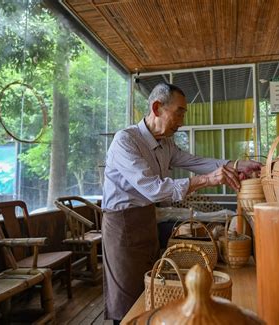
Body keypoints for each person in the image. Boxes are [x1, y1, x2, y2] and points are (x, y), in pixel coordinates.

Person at [102, 82, 261, 324]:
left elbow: (195, 161)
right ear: (157, 107)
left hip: (146, 218)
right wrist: (208, 180)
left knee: (149, 289)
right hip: (122, 225)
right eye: (179, 113)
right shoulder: (126, 141)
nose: (181, 121)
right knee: (125, 298)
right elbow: (155, 189)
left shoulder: (165, 143)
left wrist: (236, 165)